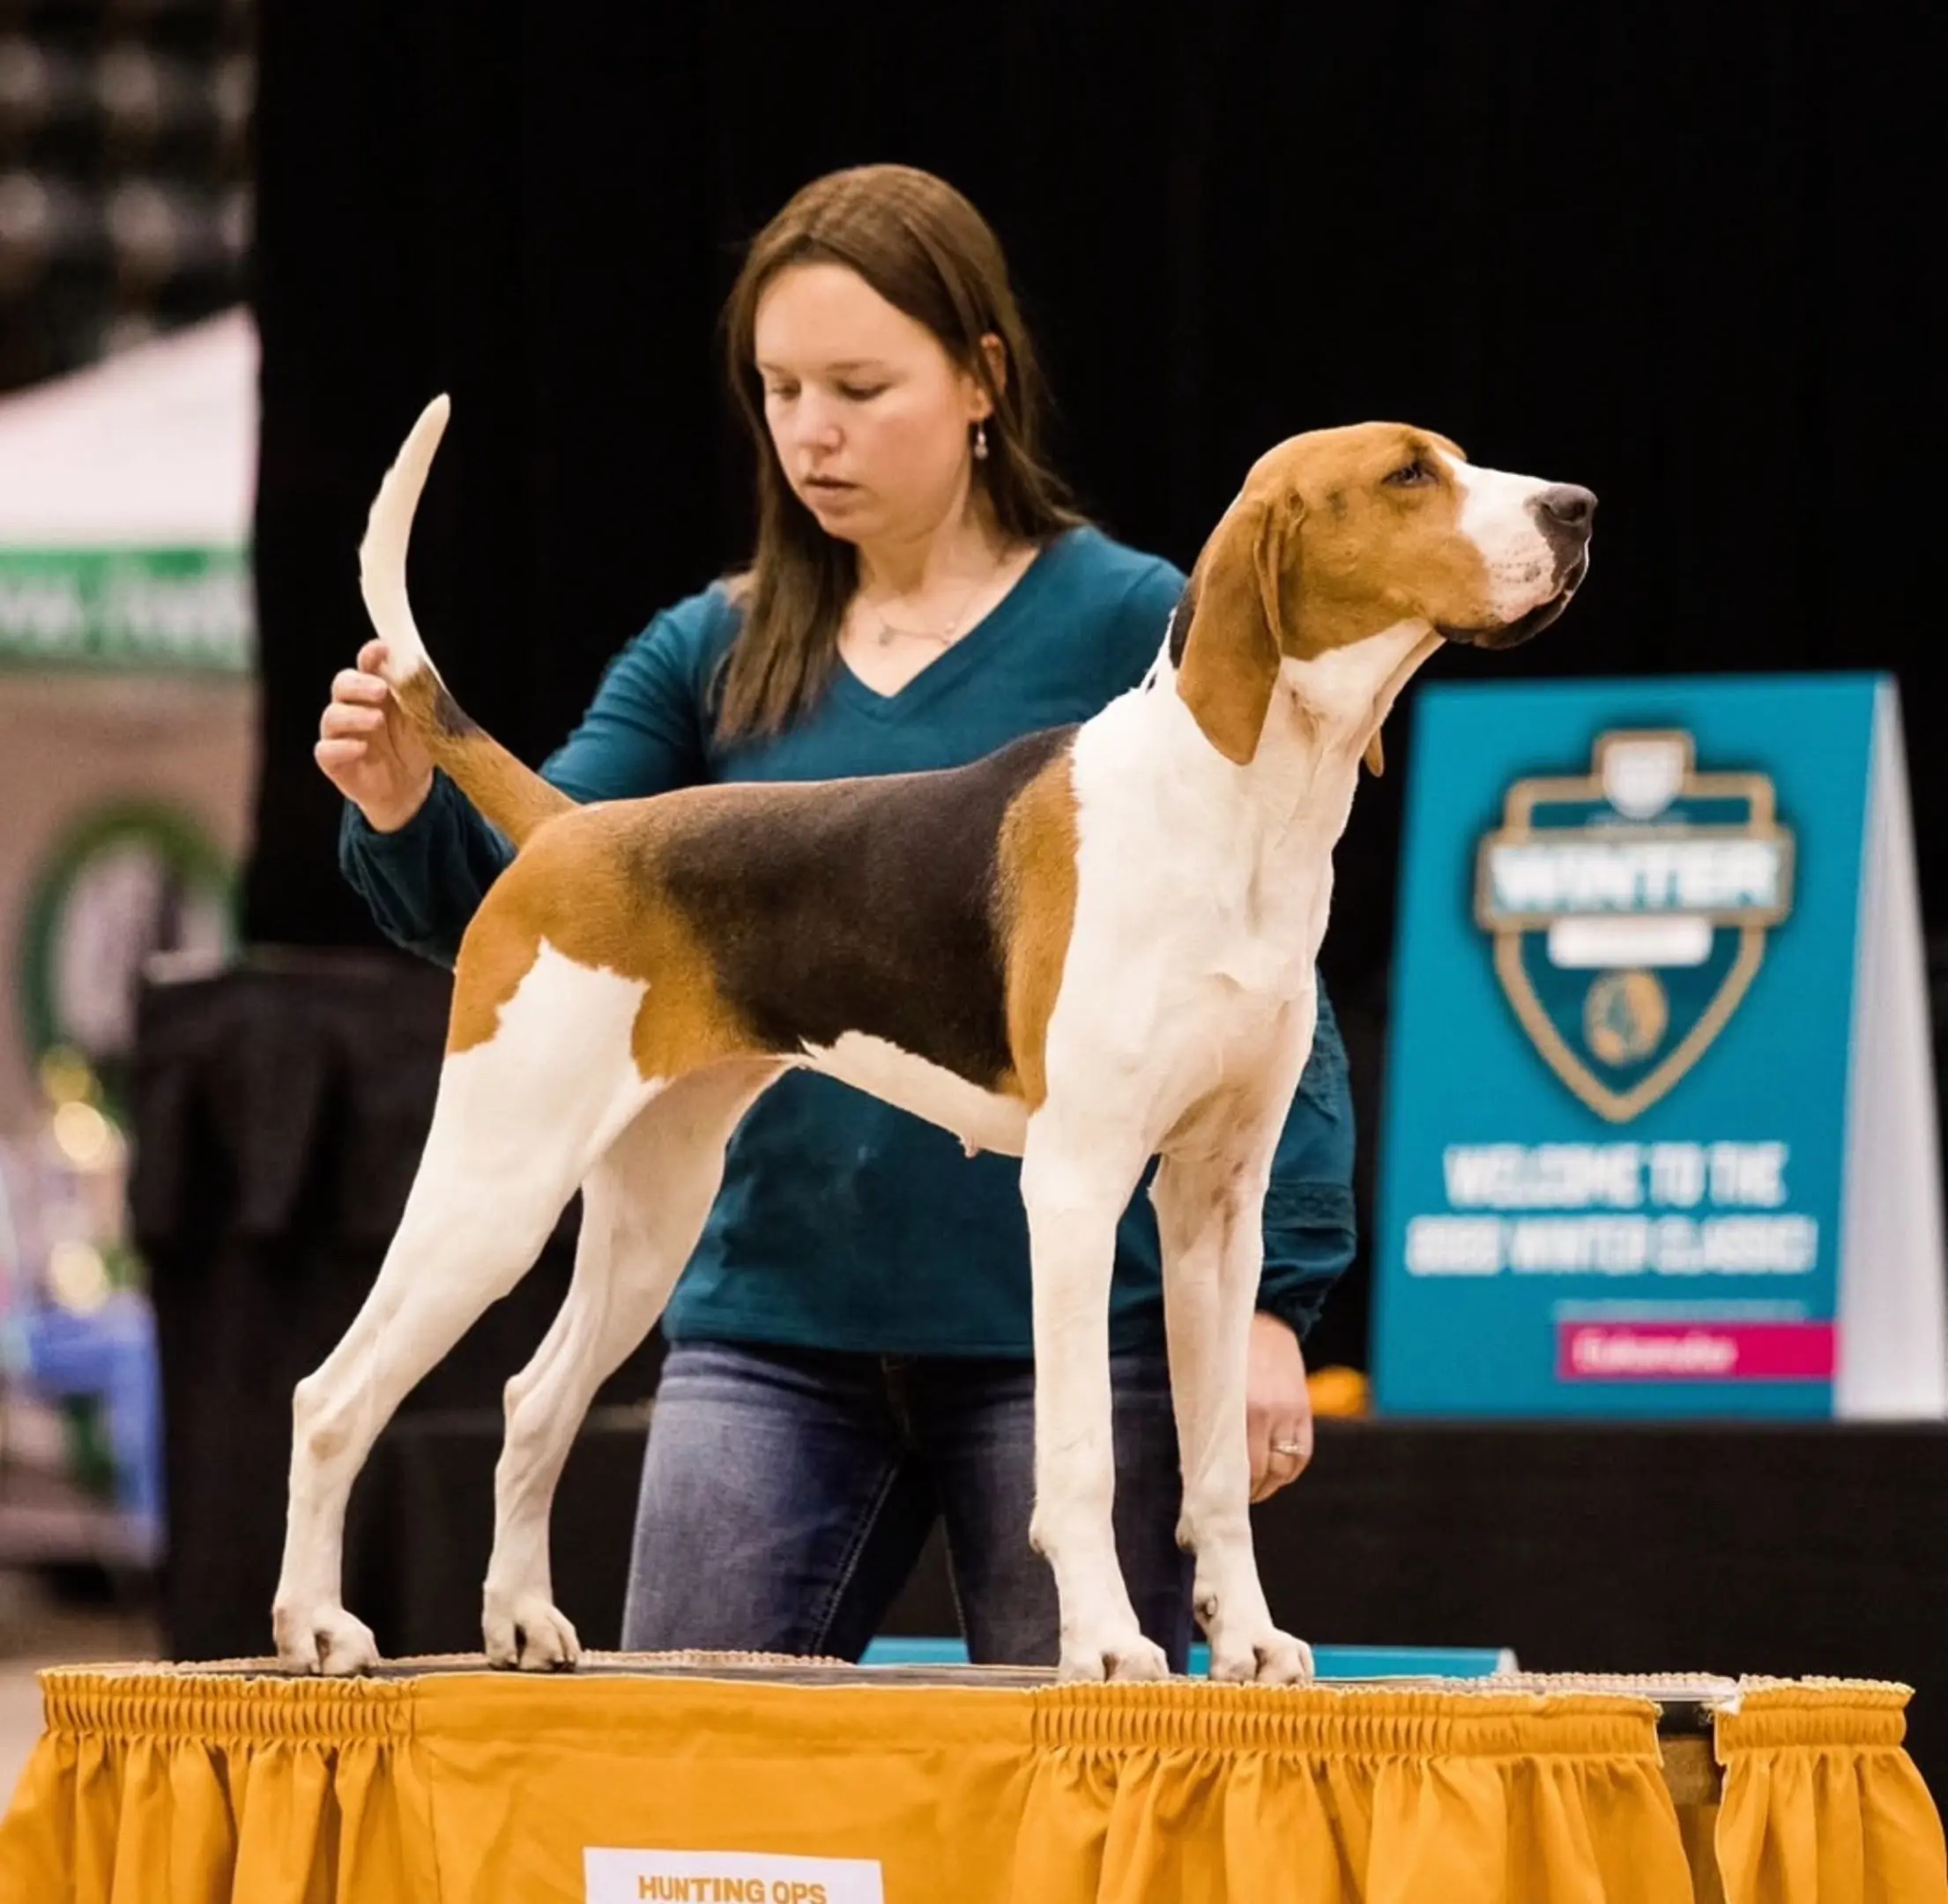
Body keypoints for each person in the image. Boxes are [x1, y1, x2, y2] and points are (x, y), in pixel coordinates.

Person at [316, 164, 1355, 1670]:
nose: (812, 430)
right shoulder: (707, 652)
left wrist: (1282, 1301)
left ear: (982, 378)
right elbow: (534, 904)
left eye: (860, 385)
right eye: (779, 388)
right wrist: (406, 803)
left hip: (1057, 1346)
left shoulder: (1146, 626)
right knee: (689, 1821)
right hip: (770, 1340)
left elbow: (1268, 975)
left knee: (1081, 1817)